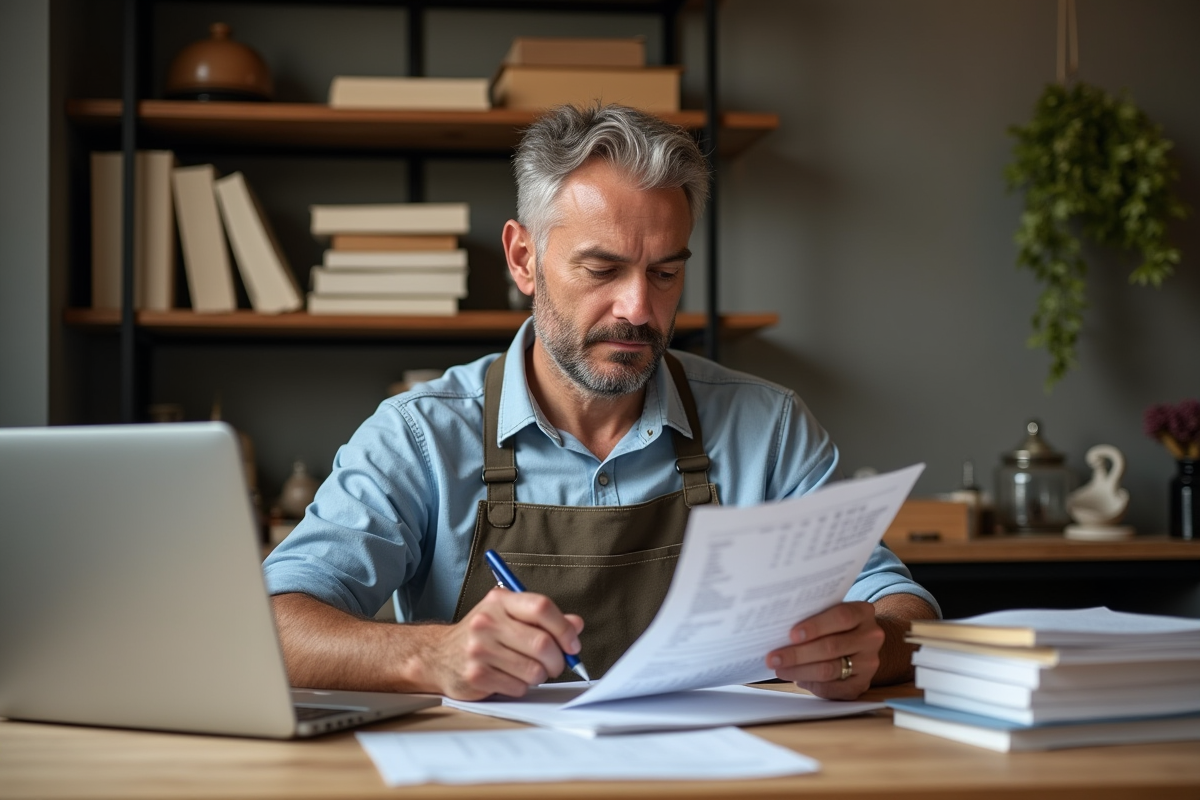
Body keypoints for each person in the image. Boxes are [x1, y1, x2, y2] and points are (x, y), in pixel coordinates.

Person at [263, 104, 939, 702]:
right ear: (523, 258)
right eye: (602, 269)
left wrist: (872, 642)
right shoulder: (419, 436)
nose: (639, 309)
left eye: (666, 272)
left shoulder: (769, 427)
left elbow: (905, 610)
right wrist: (429, 655)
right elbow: (271, 622)